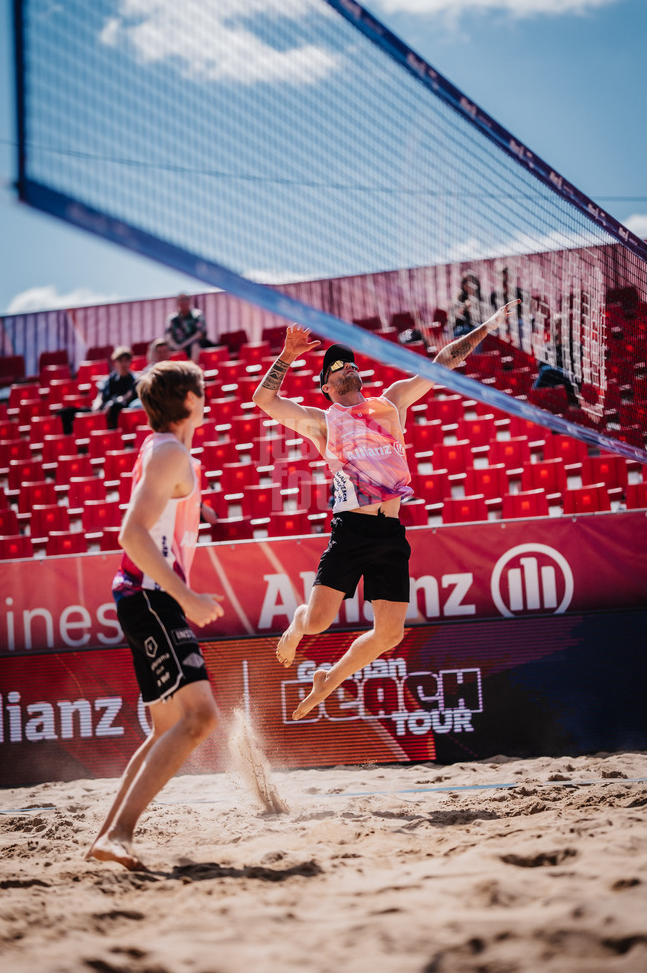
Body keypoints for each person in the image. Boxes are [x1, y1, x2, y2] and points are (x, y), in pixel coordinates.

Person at [252, 301, 519, 722]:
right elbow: (264, 400)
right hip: (351, 530)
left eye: (349, 365)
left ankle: (330, 679)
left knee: (390, 633)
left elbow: (441, 364)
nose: (346, 368)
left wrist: (489, 325)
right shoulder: (324, 421)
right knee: (318, 622)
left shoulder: (390, 404)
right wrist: (287, 357)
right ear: (325, 386)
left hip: (390, 532)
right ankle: (295, 625)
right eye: (337, 368)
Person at [86, 360, 224, 870]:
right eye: (202, 391)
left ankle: (106, 839)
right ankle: (118, 834)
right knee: (201, 718)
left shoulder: (167, 451)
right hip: (150, 595)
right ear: (188, 400)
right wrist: (186, 597)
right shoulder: (169, 453)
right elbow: (131, 534)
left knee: (167, 727)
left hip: (144, 594)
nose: (208, 397)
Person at [58, 345, 139, 433]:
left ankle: (112, 433)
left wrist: (112, 404)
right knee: (65, 413)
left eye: (126, 360)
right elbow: (100, 397)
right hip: (103, 409)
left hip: (119, 411)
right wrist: (96, 408)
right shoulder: (108, 380)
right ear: (115, 362)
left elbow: (127, 396)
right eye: (120, 360)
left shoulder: (134, 380)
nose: (123, 364)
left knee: (116, 406)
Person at [166, 293, 212, 362]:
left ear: (189, 301)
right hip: (177, 345)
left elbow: (200, 334)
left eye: (185, 299)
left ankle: (192, 368)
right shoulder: (172, 318)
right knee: (159, 346)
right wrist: (176, 346)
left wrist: (183, 345)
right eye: (181, 300)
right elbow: (168, 335)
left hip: (195, 344)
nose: (183, 302)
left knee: (195, 345)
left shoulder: (197, 314)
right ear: (177, 302)